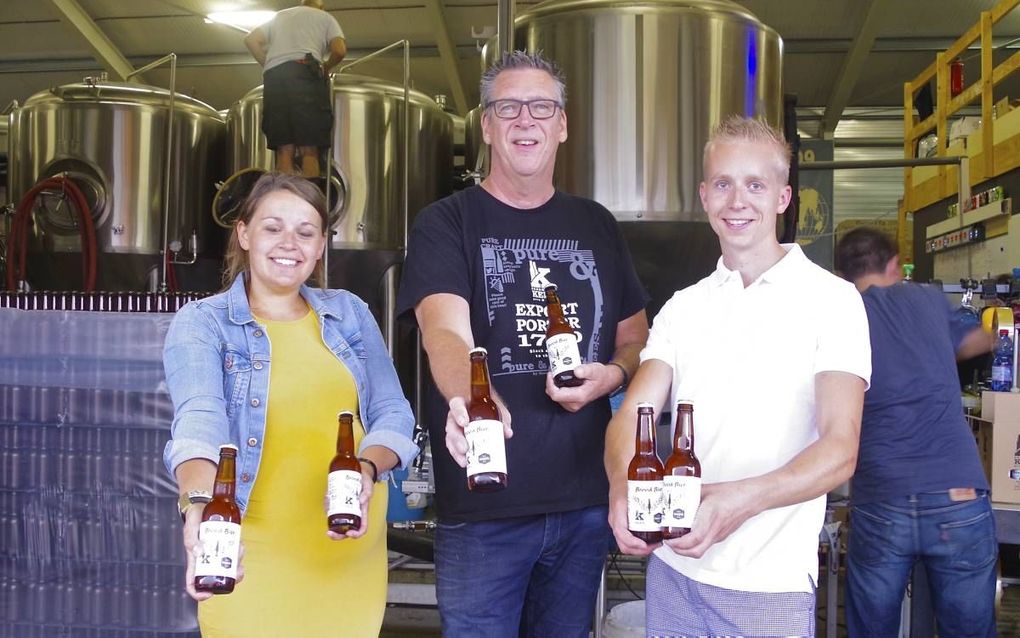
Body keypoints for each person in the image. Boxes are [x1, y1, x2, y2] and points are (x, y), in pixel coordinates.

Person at [396, 51, 650, 637]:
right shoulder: (447, 222)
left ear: (562, 125)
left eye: (541, 107)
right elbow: (444, 331)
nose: (525, 121)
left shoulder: (598, 225)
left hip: (582, 504)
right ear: (486, 125)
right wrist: (471, 400)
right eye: (507, 108)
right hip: (486, 508)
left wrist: (613, 374)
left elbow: (633, 336)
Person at [605, 116, 872, 637]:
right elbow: (632, 416)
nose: (737, 201)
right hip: (674, 575)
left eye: (755, 184)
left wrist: (737, 502)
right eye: (723, 184)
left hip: (770, 588)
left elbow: (842, 449)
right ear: (704, 196)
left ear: (783, 198)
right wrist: (621, 486)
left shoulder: (832, 302)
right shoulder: (683, 308)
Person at [163, 172, 418, 636]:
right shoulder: (203, 324)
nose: (290, 243)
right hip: (253, 555)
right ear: (243, 233)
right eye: (272, 227)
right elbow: (199, 422)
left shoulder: (350, 312)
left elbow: (393, 413)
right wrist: (200, 503)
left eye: (306, 232)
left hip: (348, 554)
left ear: (321, 245)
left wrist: (365, 467)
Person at [835, 227, 997, 638]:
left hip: (882, 495)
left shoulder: (840, 313)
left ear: (841, 275)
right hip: (957, 493)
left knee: (873, 629)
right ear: (895, 266)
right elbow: (981, 339)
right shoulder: (926, 297)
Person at [243, 0, 346, 177]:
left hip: (275, 79)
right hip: (305, 73)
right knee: (309, 149)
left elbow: (251, 40)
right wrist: (326, 67)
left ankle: (286, 202)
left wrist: (268, 63)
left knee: (284, 149)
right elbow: (339, 50)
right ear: (321, 6)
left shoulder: (280, 16)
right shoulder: (325, 17)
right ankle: (308, 202)